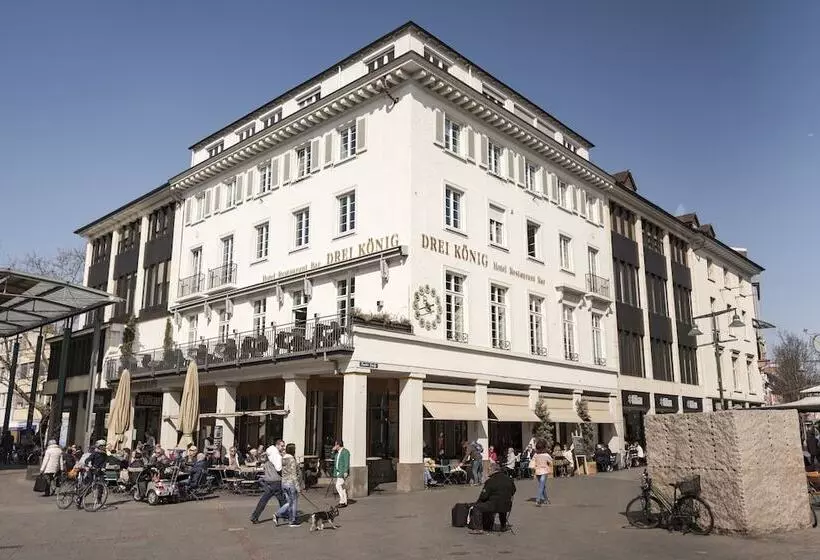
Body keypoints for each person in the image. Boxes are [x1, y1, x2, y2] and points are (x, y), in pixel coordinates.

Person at [471, 461, 516, 533]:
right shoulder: (509, 479)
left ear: (493, 470)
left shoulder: (490, 481)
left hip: (494, 505)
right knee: (502, 504)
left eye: (489, 470)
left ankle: (478, 528)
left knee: (477, 507)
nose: (488, 472)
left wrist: (477, 502)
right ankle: (503, 526)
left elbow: (483, 496)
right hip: (507, 505)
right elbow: (513, 490)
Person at [249, 440, 286, 525]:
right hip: (276, 481)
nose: (283, 448)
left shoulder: (267, 455)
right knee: (282, 500)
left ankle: (254, 516)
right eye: (282, 446)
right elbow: (279, 469)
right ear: (277, 445)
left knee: (264, 500)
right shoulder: (275, 456)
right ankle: (285, 515)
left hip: (268, 480)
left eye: (284, 446)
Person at [276, 443, 302, 527]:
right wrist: (298, 487)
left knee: (289, 502)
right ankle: (292, 520)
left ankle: (280, 515)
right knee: (293, 502)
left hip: (284, 482)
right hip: (291, 483)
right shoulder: (292, 459)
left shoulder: (283, 458)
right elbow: (293, 474)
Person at [532, 439, 552, 506]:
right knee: (541, 486)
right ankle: (538, 500)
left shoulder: (535, 455)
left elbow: (532, 463)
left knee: (542, 486)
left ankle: (546, 499)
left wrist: (533, 468)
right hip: (544, 471)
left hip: (537, 472)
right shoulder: (546, 455)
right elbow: (551, 462)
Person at [331, 439, 350, 508]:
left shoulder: (345, 452)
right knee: (342, 487)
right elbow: (332, 457)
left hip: (342, 472)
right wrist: (333, 451)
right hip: (337, 471)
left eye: (336, 444)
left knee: (338, 486)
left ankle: (342, 501)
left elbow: (346, 462)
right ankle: (344, 502)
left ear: (338, 445)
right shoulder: (337, 452)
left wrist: (345, 471)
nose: (335, 446)